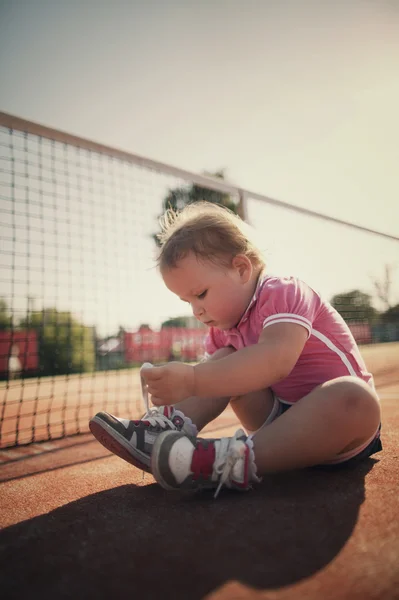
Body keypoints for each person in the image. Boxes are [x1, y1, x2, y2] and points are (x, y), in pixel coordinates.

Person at [90, 202, 382, 498]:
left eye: (200, 294)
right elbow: (214, 384)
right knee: (224, 360)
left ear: (242, 268)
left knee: (355, 396)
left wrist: (192, 379)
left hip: (341, 431)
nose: (197, 310)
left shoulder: (284, 292)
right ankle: (163, 431)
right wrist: (184, 389)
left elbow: (276, 360)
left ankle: (226, 461)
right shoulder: (221, 332)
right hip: (276, 423)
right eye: (187, 302)